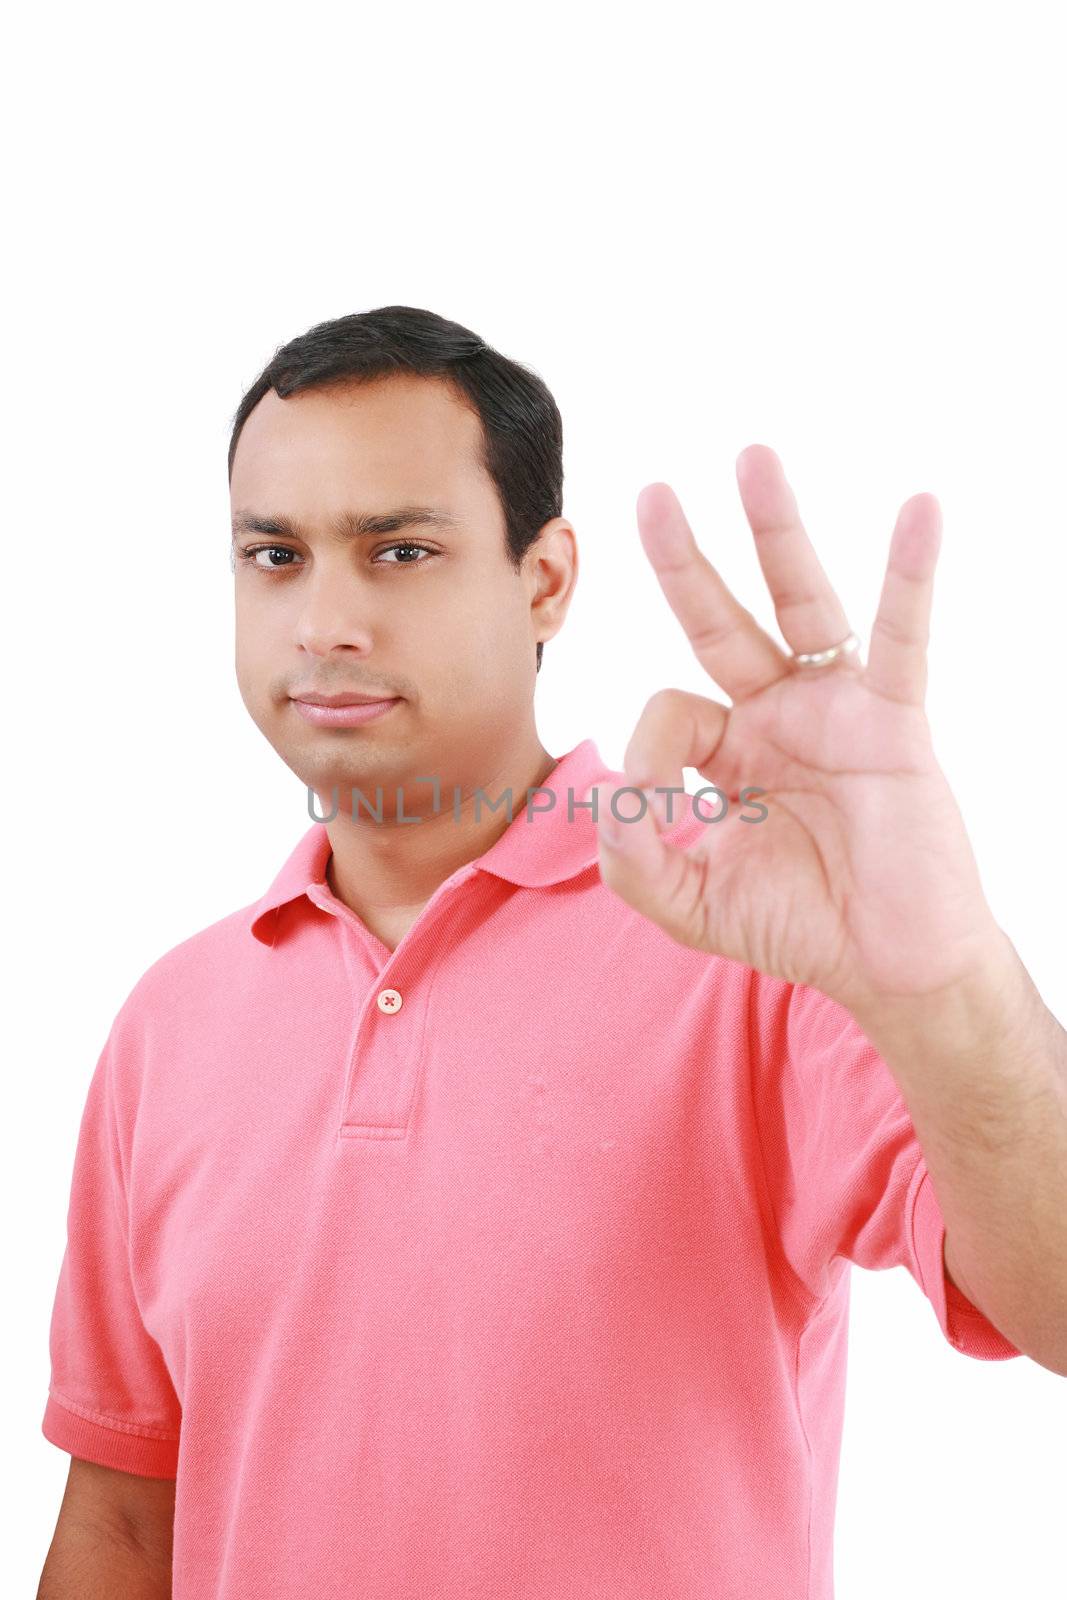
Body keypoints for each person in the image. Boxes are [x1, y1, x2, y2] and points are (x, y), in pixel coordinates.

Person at [37, 305, 1066, 1600]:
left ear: (546, 579)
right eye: (275, 555)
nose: (325, 622)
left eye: (399, 549)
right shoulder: (168, 1024)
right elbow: (127, 1522)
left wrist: (951, 975)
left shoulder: (750, 928)